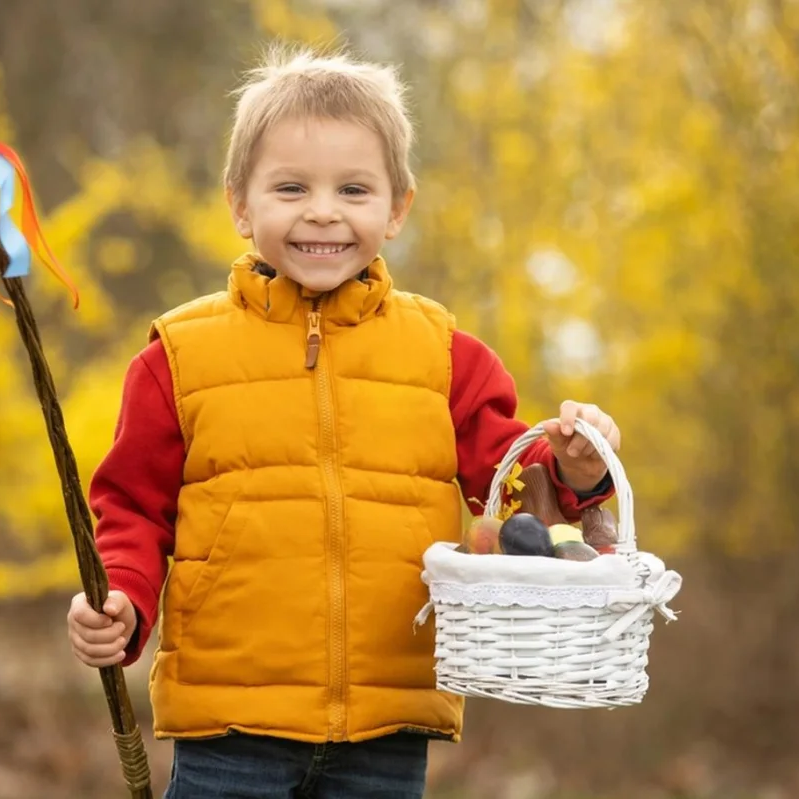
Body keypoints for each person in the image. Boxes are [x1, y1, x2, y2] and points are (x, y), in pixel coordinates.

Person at [66, 45, 623, 799]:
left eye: (353, 189)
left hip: (387, 730)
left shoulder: (444, 356)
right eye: (291, 187)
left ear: (397, 209)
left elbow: (514, 493)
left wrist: (578, 469)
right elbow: (132, 505)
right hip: (231, 726)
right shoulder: (179, 357)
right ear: (239, 204)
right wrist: (123, 599)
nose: (322, 211)